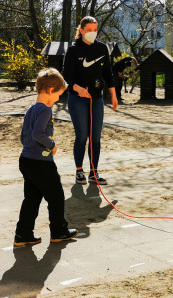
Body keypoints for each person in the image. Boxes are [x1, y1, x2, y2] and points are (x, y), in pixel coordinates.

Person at [14, 68, 77, 247]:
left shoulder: (31, 109)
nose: (57, 99)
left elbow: (24, 137)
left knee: (32, 199)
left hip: (26, 160)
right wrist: (52, 145)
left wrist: (31, 149)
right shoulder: (45, 110)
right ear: (50, 91)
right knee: (56, 196)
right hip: (41, 163)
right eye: (58, 95)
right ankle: (59, 231)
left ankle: (23, 234)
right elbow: (37, 134)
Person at [62, 16, 117, 185]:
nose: (93, 33)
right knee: (81, 136)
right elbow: (66, 76)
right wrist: (77, 88)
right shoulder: (73, 50)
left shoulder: (102, 48)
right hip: (77, 99)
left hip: (97, 98)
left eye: (95, 30)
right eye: (89, 30)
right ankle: (79, 171)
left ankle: (94, 172)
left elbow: (108, 72)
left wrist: (113, 94)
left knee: (95, 137)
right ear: (81, 31)